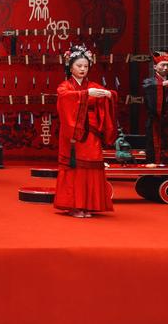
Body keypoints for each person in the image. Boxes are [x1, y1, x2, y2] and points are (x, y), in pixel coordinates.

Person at [54, 45, 118, 218]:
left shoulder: (93, 85)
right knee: (75, 167)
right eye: (79, 66)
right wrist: (86, 94)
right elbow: (64, 99)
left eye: (86, 66)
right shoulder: (65, 86)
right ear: (70, 67)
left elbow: (110, 94)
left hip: (92, 132)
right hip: (74, 133)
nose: (83, 69)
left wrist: (109, 96)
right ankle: (75, 205)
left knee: (93, 165)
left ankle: (89, 205)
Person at [141, 51, 168, 166]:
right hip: (155, 119)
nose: (166, 68)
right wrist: (163, 85)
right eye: (163, 65)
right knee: (153, 142)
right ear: (155, 67)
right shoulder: (149, 82)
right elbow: (148, 87)